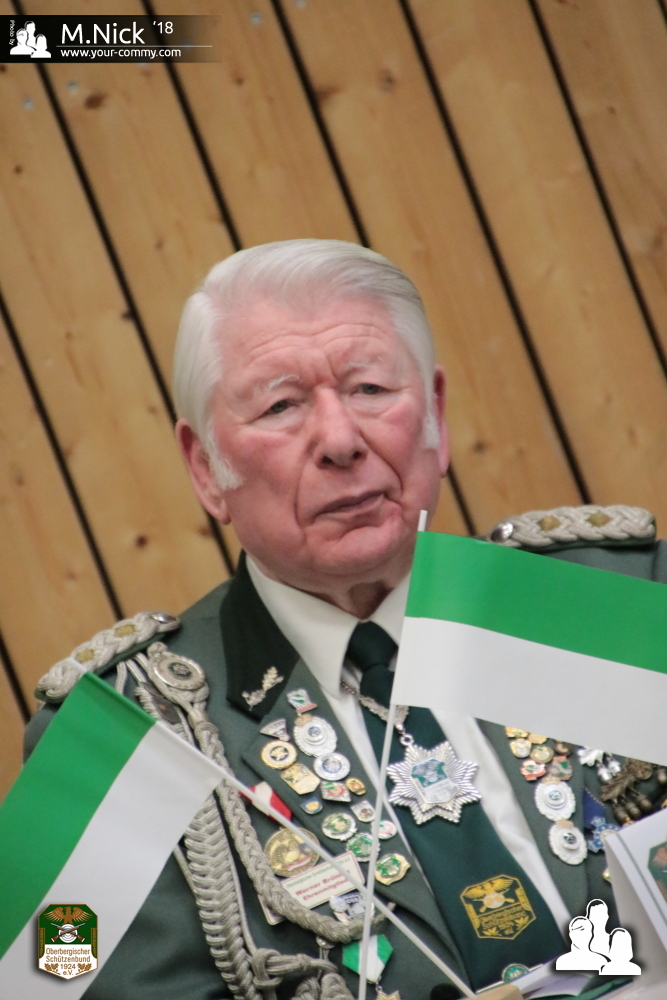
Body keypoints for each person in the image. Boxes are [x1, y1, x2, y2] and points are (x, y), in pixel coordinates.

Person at [27, 240, 664, 1000]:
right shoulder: (123, 738)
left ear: (435, 416)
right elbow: (56, 982)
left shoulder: (614, 599)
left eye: (369, 388)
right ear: (205, 467)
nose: (339, 440)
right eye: (280, 406)